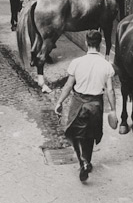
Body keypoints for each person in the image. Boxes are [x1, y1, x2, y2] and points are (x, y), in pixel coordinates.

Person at [55, 30, 118, 182]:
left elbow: (68, 85)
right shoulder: (106, 65)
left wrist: (59, 102)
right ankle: (87, 161)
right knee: (90, 135)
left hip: (78, 103)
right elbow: (110, 90)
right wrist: (114, 110)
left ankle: (81, 161)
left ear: (86, 42)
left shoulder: (76, 63)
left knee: (73, 133)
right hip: (96, 105)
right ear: (100, 43)